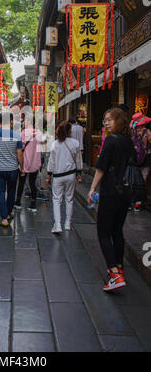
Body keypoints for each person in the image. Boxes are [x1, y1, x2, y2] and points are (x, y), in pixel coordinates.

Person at [87, 108, 134, 292]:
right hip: (126, 192)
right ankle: (120, 268)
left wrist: (92, 189)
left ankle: (114, 274)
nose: (106, 123)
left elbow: (101, 168)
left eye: (110, 120)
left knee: (103, 232)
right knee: (117, 231)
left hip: (110, 191)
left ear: (119, 121)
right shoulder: (128, 141)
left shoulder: (111, 141)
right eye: (104, 120)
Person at [46, 121, 83, 234]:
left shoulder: (55, 144)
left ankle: (57, 225)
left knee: (57, 200)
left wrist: (48, 175)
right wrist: (79, 172)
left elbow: (51, 162)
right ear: (68, 131)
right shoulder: (75, 143)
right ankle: (67, 223)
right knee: (69, 199)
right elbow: (78, 160)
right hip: (71, 175)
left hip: (58, 176)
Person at [0, 112, 24, 227]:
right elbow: (19, 153)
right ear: (10, 122)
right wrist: (22, 168)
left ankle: (4, 218)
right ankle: (8, 213)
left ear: (0, 122)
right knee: (11, 192)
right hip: (13, 169)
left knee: (0, 192)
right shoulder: (16, 135)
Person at [15, 117, 45, 212]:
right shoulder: (39, 133)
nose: (23, 122)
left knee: (21, 182)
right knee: (33, 183)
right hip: (35, 162)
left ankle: (18, 202)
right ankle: (33, 204)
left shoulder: (23, 133)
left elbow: (20, 147)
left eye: (24, 121)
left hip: (24, 162)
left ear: (28, 122)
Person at [130, 111, 151, 212]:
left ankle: (130, 201)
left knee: (133, 179)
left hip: (134, 159)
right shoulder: (147, 132)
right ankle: (138, 203)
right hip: (146, 159)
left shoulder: (132, 132)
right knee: (142, 180)